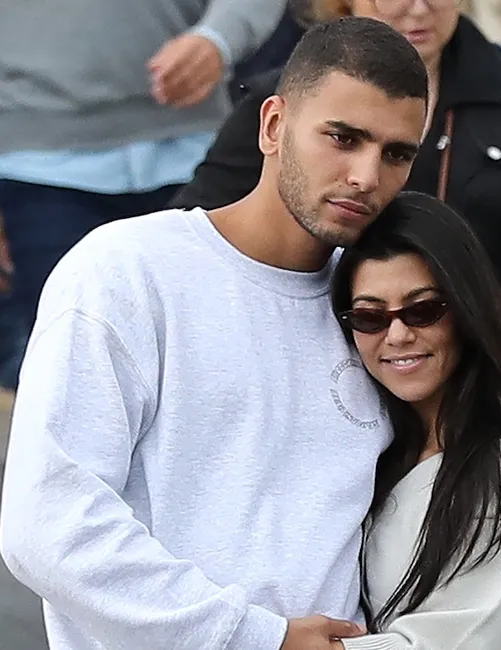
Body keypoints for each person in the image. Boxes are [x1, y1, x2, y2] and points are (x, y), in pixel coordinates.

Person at [0, 18, 429, 650]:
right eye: (343, 138)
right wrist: (259, 637)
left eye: (396, 154)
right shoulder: (127, 270)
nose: (367, 175)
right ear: (273, 125)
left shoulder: (387, 310)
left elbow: (460, 502)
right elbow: (50, 523)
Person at [170, 0, 501, 415]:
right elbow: (203, 239)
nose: (419, 9)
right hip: (344, 409)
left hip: (498, 405)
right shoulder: (299, 104)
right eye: (344, 139)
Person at [328, 191, 501, 649]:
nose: (397, 334)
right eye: (370, 317)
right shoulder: (377, 448)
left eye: (423, 310)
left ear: (465, 310)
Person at [0, 0, 286, 390]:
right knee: (72, 375)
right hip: (36, 165)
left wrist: (219, 39)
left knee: (221, 365)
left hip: (195, 149)